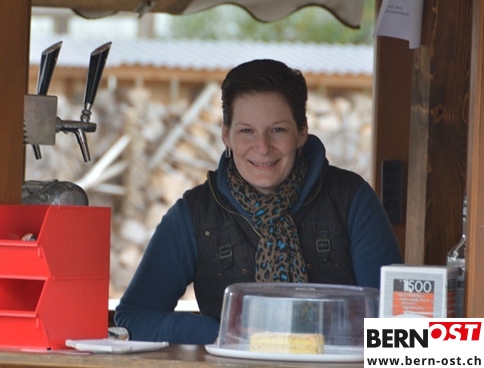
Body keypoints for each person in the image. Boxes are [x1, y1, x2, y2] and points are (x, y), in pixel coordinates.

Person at [114, 59, 403, 345]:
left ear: (302, 132)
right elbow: (133, 317)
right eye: (246, 131)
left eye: (277, 130)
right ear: (226, 135)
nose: (263, 147)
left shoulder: (352, 200)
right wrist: (219, 335)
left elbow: (398, 323)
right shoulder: (195, 214)